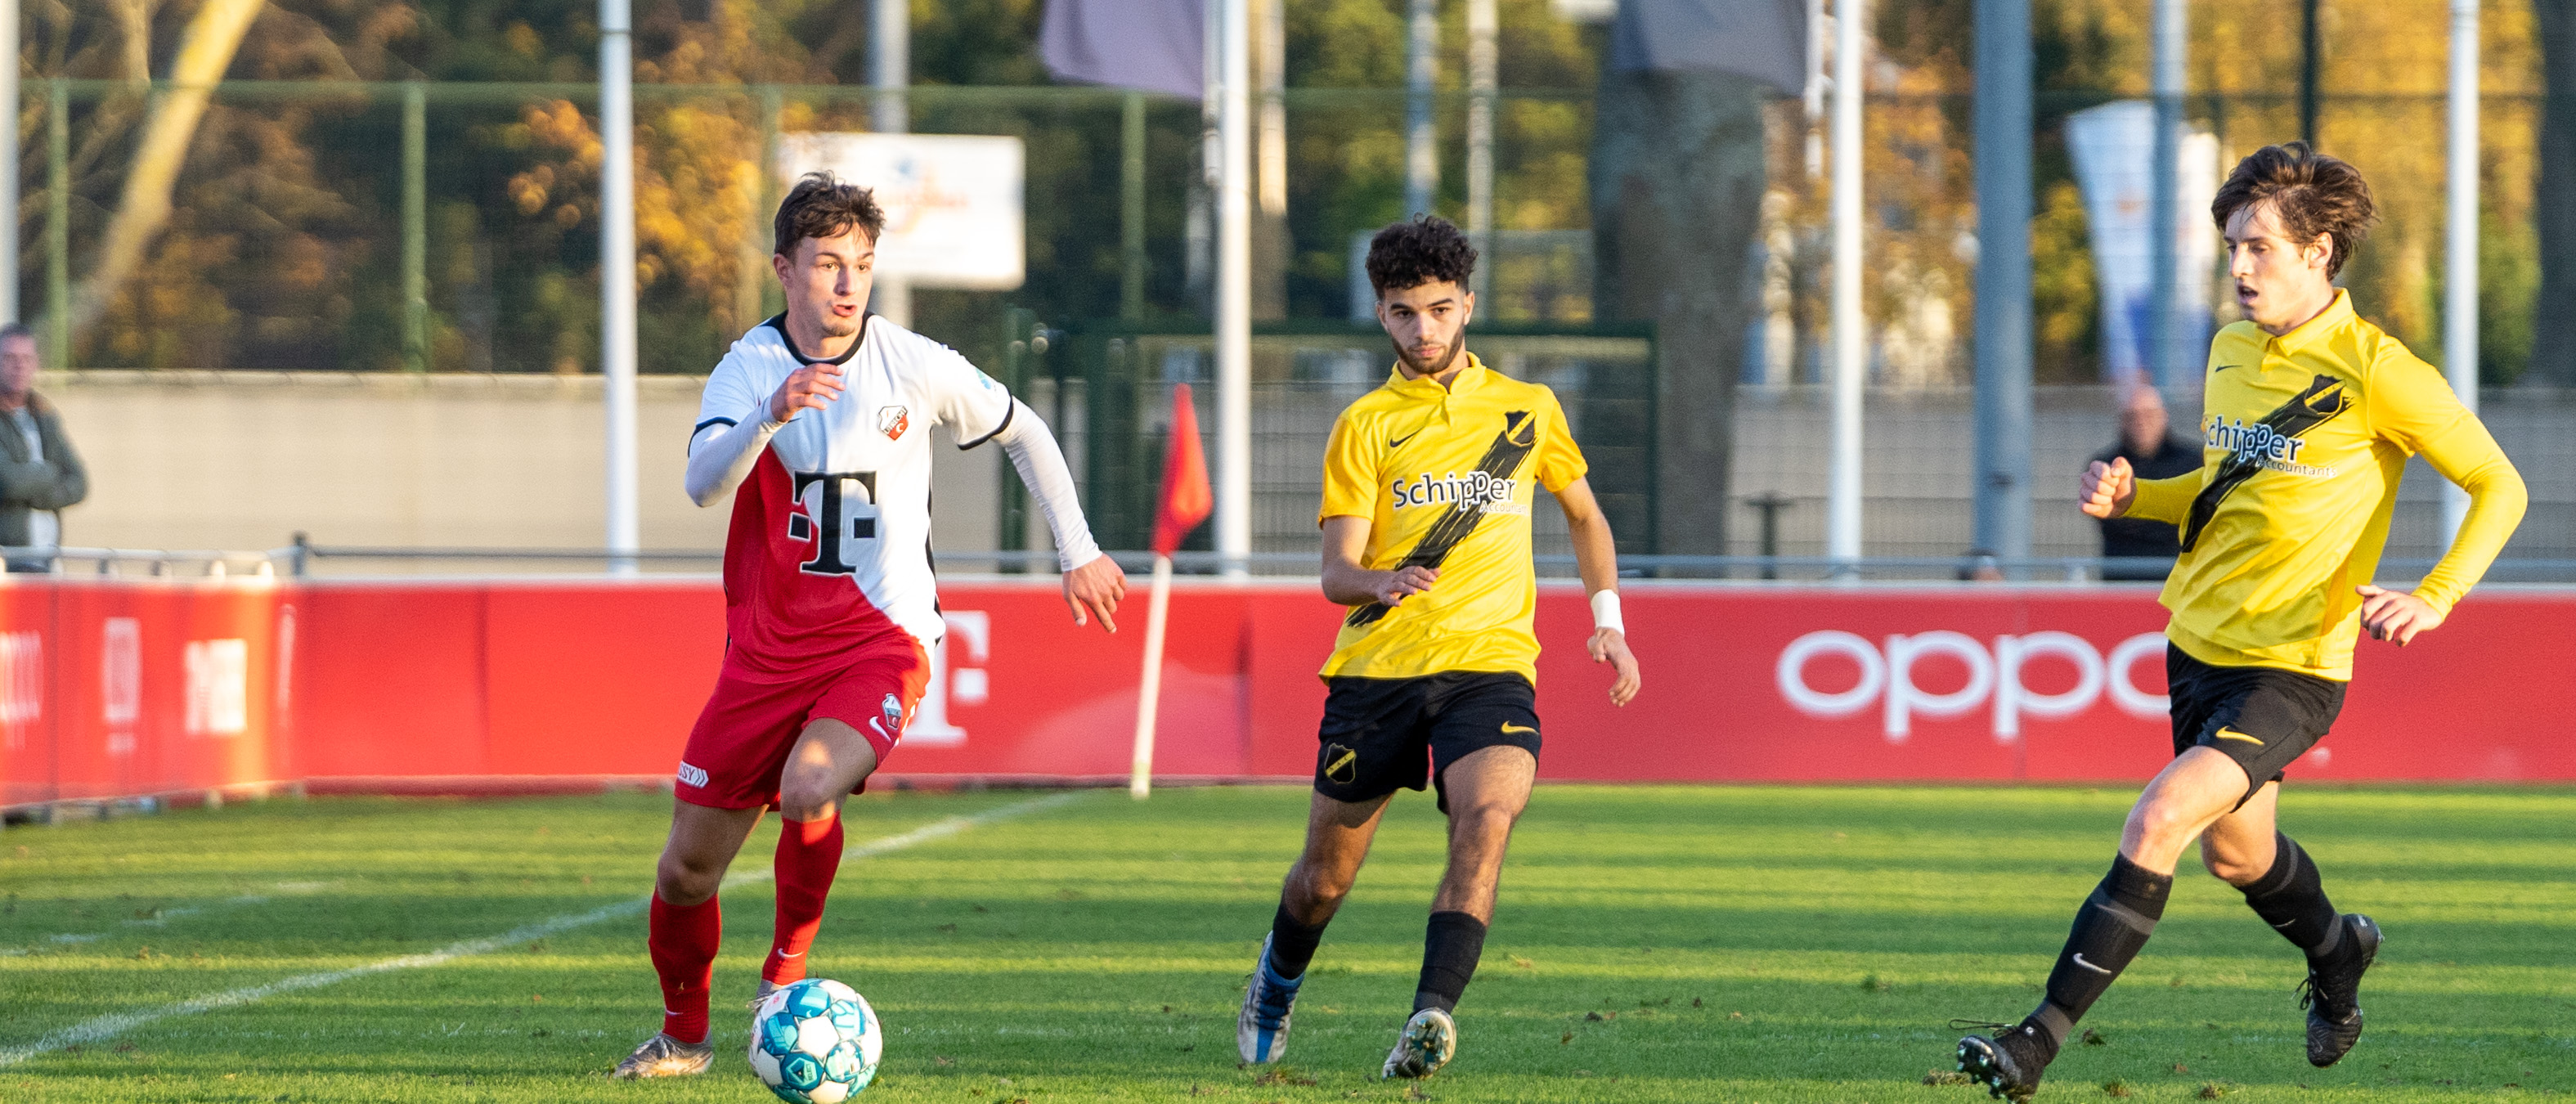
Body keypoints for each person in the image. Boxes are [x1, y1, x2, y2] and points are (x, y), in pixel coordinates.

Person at [1950, 143, 2526, 1101]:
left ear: (2319, 251)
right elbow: (2218, 491)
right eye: (2231, 248)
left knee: (2160, 818)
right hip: (2195, 645)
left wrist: (2436, 593)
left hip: (2293, 665)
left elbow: (2500, 485)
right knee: (2239, 854)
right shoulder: (2230, 351)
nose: (2240, 267)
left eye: (2258, 247)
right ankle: (2339, 952)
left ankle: (2033, 1043)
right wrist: (2136, 497)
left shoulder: (2379, 370)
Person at [614, 173, 1128, 1079]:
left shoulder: (910, 362)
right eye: (827, 264)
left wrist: (1076, 549)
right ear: (785, 270)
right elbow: (701, 483)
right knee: (684, 872)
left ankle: (783, 981)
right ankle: (684, 1040)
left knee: (811, 783)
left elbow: (1025, 430)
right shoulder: (750, 368)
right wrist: (770, 415)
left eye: (861, 263)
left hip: (882, 641)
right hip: (764, 654)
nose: (848, 283)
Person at [1235, 215, 1642, 1080]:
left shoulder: (1529, 410)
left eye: (1440, 309)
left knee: (1487, 817)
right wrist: (1378, 581)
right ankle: (1277, 981)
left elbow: (1585, 517)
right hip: (1378, 673)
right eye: (1404, 312)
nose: (1424, 329)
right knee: (1324, 881)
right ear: (1381, 315)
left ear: (1468, 305)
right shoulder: (1365, 425)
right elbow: (1336, 572)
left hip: (1490, 666)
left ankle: (1430, 1018)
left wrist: (1607, 618)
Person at [0, 323, 87, 572]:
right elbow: (8, 482)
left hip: (47, 563)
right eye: (10, 358)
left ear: (35, 364)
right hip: (8, 565)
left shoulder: (44, 415)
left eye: (26, 359)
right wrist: (51, 472)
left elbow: (79, 482)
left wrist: (36, 497)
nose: (19, 366)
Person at [2091, 384, 2200, 581]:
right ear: (2121, 421)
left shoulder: (2194, 461)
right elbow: (2111, 523)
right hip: (2123, 581)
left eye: (2149, 414)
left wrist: (2133, 511)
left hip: (2179, 579)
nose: (2141, 422)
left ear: (2164, 416)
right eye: (2132, 416)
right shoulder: (2105, 465)